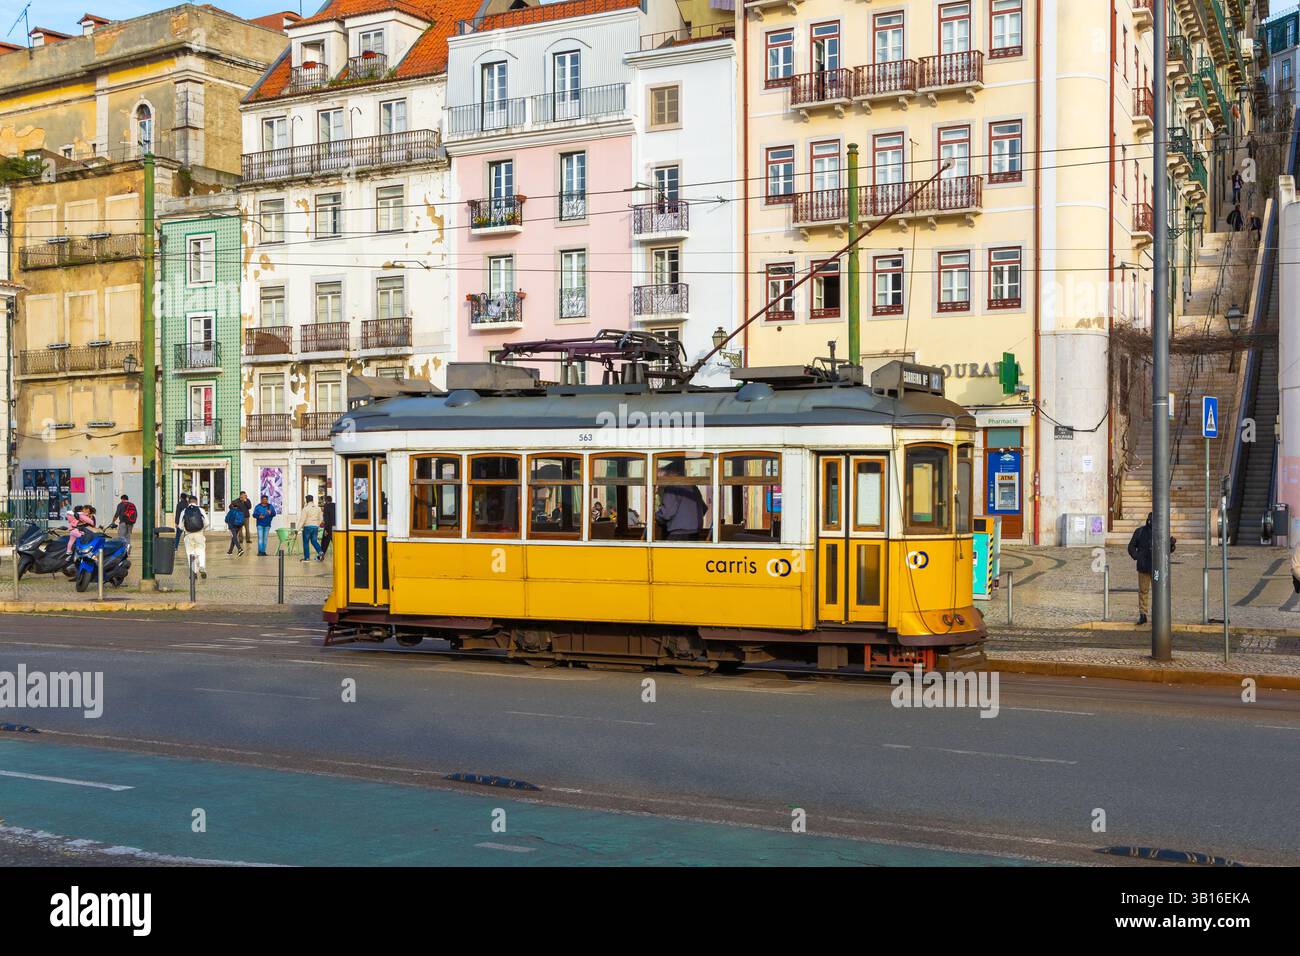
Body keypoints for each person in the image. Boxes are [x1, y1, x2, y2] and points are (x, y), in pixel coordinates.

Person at [1127, 512, 1176, 626]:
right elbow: (1131, 547)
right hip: (1143, 567)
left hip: (1157, 568)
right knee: (1143, 591)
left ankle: (1158, 615)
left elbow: (1167, 550)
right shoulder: (1139, 532)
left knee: (1158, 592)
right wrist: (1137, 556)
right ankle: (1143, 614)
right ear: (1148, 520)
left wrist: (1172, 545)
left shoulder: (1162, 532)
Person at [655, 460, 708, 540]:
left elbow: (666, 514)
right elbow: (703, 508)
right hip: (695, 533)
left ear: (670, 473)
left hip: (679, 534)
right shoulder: (693, 487)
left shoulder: (672, 487)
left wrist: (654, 516)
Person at [179, 497, 210, 578]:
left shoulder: (184, 511)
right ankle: (202, 566)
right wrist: (201, 529)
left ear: (189, 502)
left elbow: (180, 526)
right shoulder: (201, 510)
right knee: (201, 551)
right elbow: (207, 523)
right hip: (199, 534)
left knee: (190, 553)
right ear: (196, 501)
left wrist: (186, 529)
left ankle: (194, 572)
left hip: (188, 535)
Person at [300, 495, 324, 562]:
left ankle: (307, 558)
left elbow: (302, 520)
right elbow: (321, 519)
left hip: (307, 527)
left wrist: (297, 529)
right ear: (312, 499)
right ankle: (320, 552)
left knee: (306, 542)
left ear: (307, 500)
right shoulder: (318, 508)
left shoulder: (305, 509)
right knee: (314, 541)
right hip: (315, 527)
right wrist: (317, 524)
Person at [319, 495, 336, 561]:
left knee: (324, 543)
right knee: (335, 542)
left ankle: (321, 556)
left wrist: (326, 529)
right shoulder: (335, 506)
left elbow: (326, 519)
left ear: (326, 500)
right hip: (336, 527)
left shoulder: (326, 507)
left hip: (328, 527)